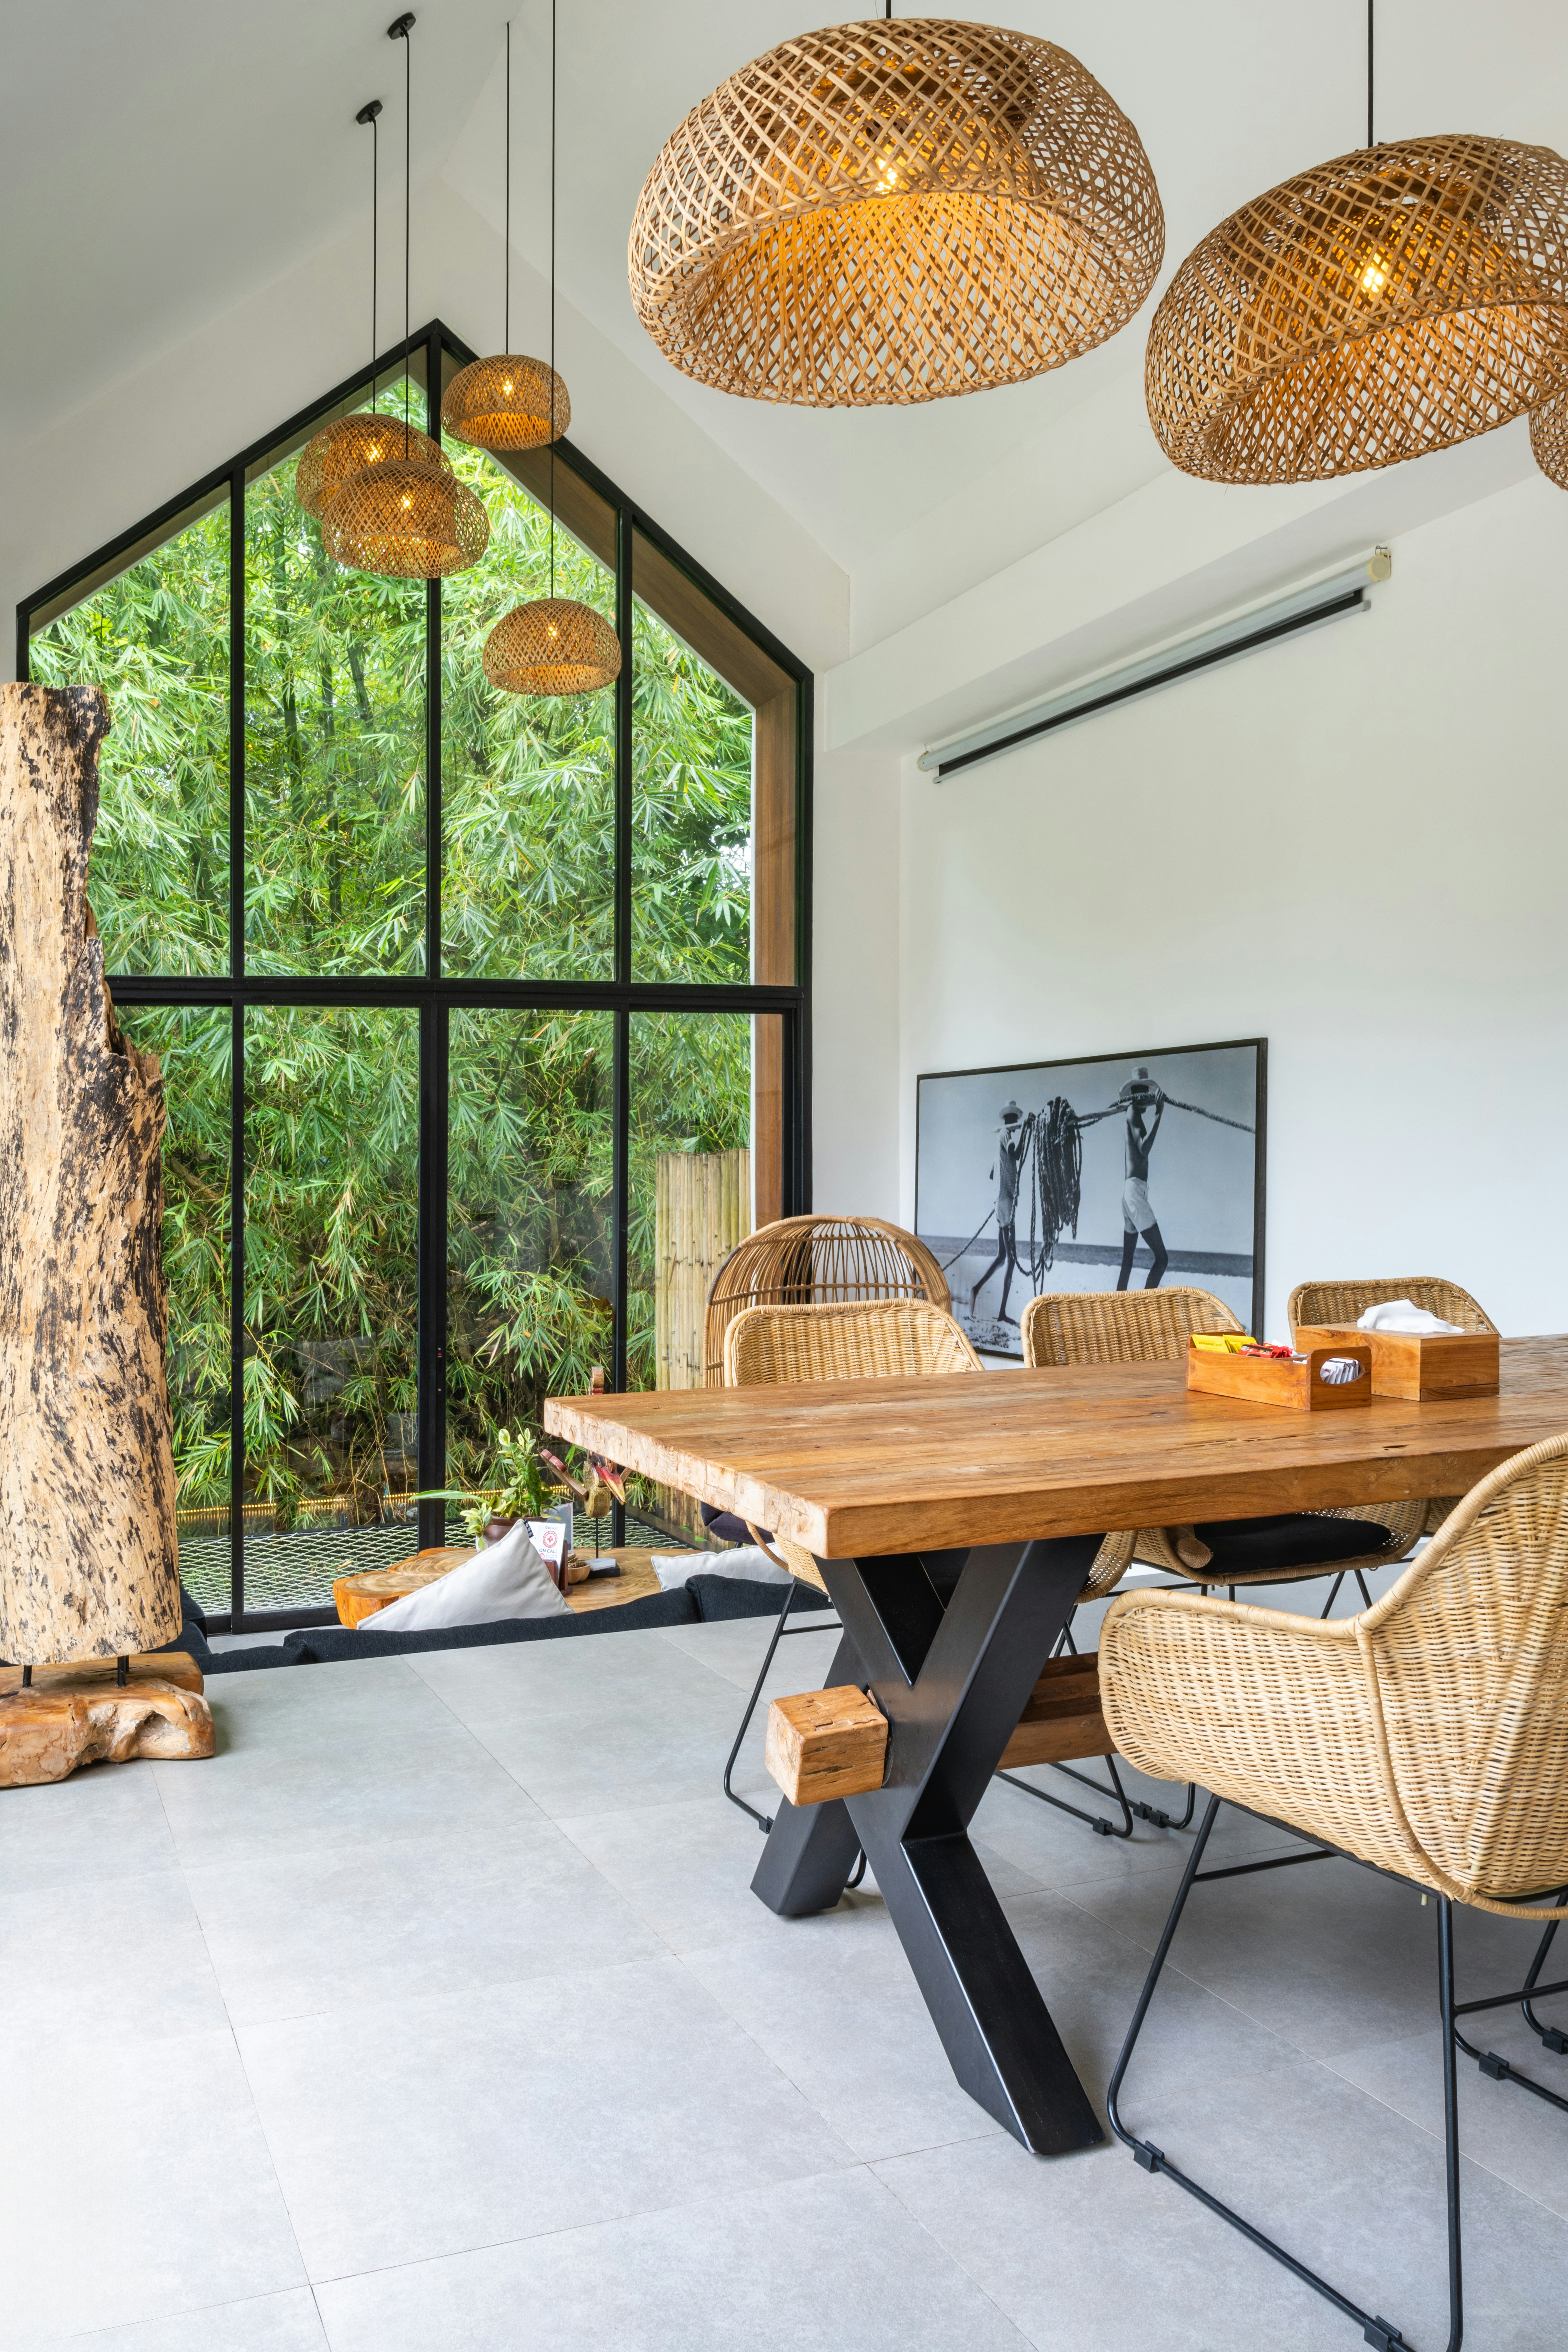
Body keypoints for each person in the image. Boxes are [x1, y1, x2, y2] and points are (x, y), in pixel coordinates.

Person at [970, 1099, 1028, 1323]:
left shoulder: (1000, 1138)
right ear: (1012, 1120)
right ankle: (1002, 1312)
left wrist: (1005, 1174)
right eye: (1015, 1120)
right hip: (1005, 1202)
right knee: (1011, 1259)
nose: (1014, 1123)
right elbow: (1016, 1154)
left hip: (1001, 1202)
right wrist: (1024, 1135)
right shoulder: (1007, 1135)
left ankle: (976, 1289)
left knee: (1003, 1256)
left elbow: (992, 1174)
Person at [1116, 1069, 1170, 1290]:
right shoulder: (1133, 1114)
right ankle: (1146, 1307)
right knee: (1162, 1258)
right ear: (1136, 1094)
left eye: (1149, 1091)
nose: (1148, 1096)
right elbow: (1144, 1148)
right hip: (1135, 1194)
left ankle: (1114, 1313)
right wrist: (1159, 1113)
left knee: (1127, 1262)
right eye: (1144, 1092)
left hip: (1131, 1192)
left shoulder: (1131, 1114)